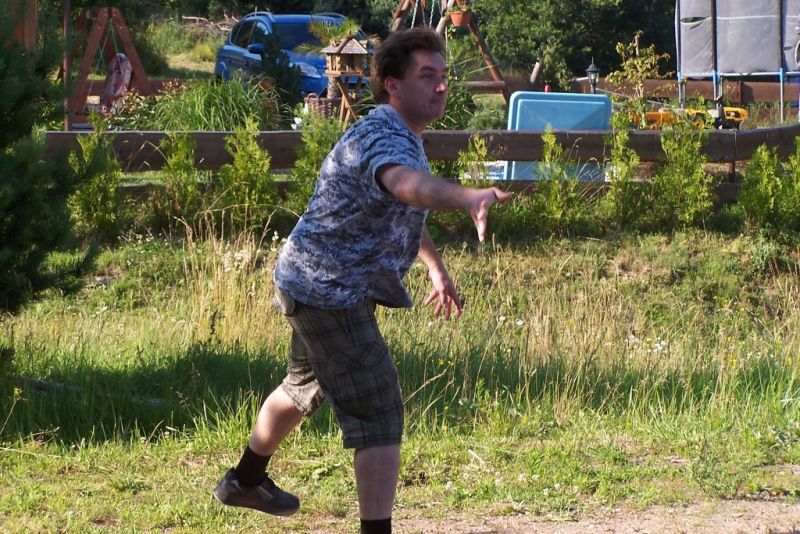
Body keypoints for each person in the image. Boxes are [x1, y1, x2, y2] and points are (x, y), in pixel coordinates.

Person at [212, 27, 512, 534]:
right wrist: (465, 196)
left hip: (311, 279)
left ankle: (244, 480)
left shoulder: (403, 134)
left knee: (302, 386)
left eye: (443, 75)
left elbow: (400, 205)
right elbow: (405, 185)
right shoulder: (384, 136)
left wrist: (434, 266)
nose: (441, 86)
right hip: (327, 289)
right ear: (392, 84)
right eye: (427, 76)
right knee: (378, 409)